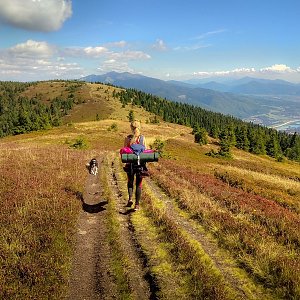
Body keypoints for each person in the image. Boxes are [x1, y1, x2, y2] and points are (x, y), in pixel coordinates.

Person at [124, 120, 147, 210]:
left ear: (131, 128)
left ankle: (130, 198)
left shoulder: (128, 138)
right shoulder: (142, 138)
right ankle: (137, 205)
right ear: (139, 127)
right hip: (140, 164)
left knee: (130, 181)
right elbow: (145, 151)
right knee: (139, 184)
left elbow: (124, 151)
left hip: (130, 164)